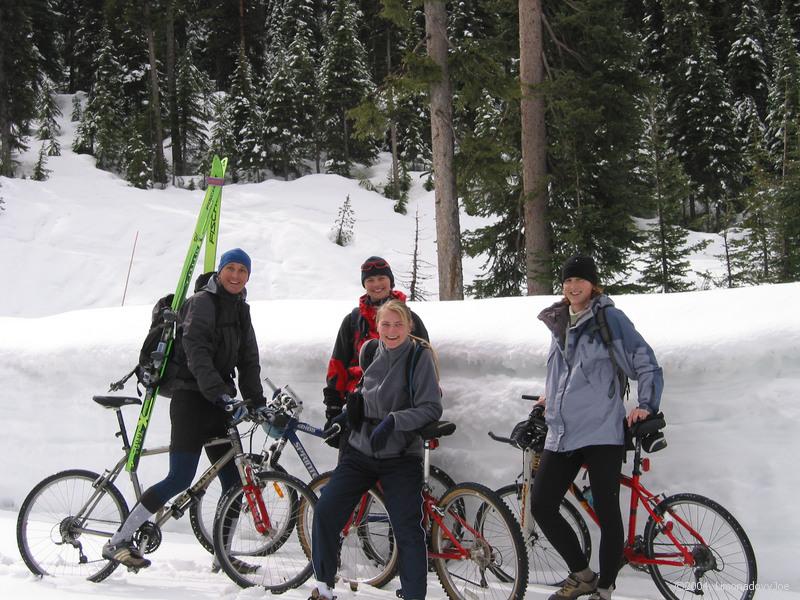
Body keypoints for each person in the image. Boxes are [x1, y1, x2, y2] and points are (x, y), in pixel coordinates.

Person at [102, 248, 266, 569]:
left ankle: (224, 557)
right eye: (230, 268)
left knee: (234, 483)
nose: (235, 275)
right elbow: (196, 351)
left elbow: (249, 361)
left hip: (220, 404)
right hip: (192, 400)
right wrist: (218, 392)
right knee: (179, 478)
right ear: (220, 271)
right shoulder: (202, 303)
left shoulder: (242, 310)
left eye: (242, 271)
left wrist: (255, 402)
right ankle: (119, 539)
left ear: (248, 276)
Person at [532, 255, 663, 600]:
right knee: (542, 505)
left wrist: (646, 405)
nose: (573, 287)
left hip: (602, 431)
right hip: (561, 432)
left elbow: (646, 363)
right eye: (568, 281)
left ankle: (604, 589)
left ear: (593, 284)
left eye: (580, 280)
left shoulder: (609, 319)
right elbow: (565, 373)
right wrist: (549, 399)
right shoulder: (560, 321)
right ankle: (584, 575)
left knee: (607, 512)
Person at [310, 299, 442, 600]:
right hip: (360, 451)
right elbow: (367, 391)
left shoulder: (419, 358)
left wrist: (395, 421)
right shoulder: (370, 351)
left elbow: (431, 408)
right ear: (378, 326)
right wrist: (350, 412)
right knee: (326, 511)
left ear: (409, 326)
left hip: (400, 456)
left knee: (408, 528)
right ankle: (324, 587)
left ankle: (413, 595)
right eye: (386, 324)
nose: (392, 330)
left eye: (398, 324)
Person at [323, 256, 429, 445]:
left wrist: (424, 415)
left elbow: (427, 370)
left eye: (381, 278)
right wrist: (333, 408)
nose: (376, 284)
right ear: (364, 284)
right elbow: (337, 365)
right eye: (370, 280)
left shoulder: (410, 320)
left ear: (391, 281)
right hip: (356, 409)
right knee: (354, 469)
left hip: (398, 409)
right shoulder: (353, 321)